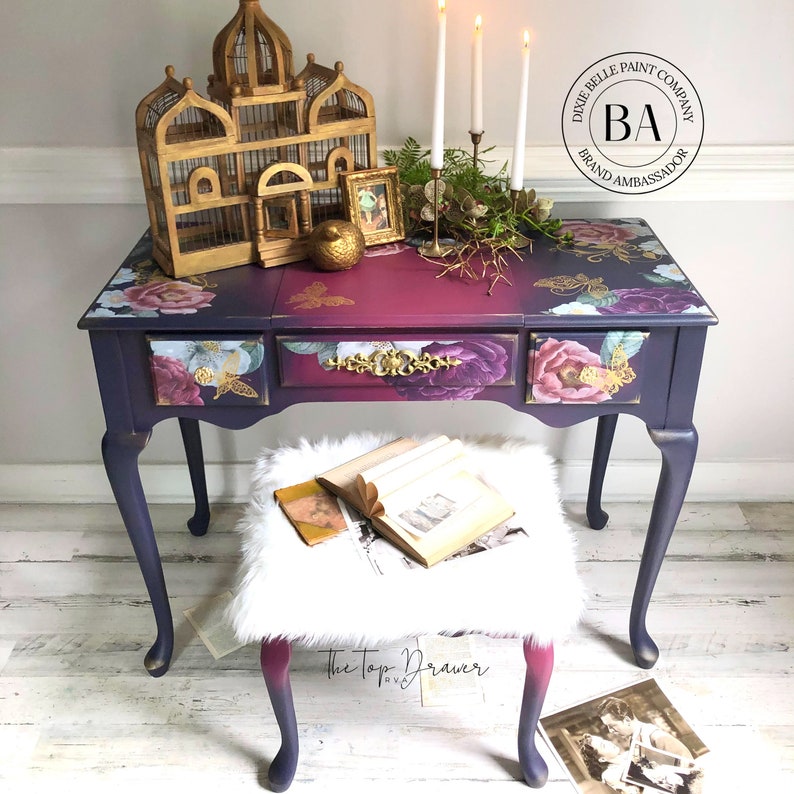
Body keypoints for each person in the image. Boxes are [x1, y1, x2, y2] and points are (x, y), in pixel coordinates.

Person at [596, 696, 693, 763]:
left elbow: (688, 763)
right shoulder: (633, 739)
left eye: (612, 726)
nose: (610, 731)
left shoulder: (655, 736)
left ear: (627, 720)